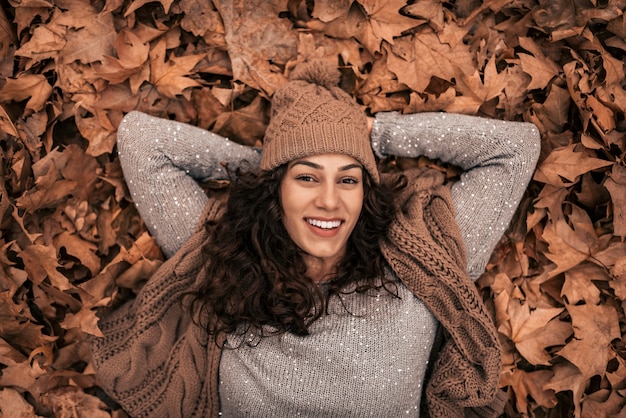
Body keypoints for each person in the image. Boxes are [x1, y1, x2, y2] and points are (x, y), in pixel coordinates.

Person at [89, 60, 541, 417]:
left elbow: (514, 149)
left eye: (348, 180)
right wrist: (275, 158)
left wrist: (375, 136)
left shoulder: (422, 261)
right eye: (307, 178)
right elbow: (141, 139)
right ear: (276, 190)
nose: (329, 201)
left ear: (366, 191)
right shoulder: (223, 254)